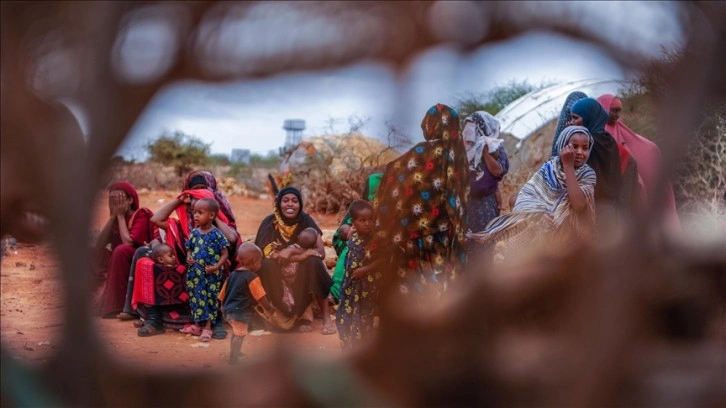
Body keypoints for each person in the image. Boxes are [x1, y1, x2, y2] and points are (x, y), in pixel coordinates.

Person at [369, 103, 469, 306]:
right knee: (441, 283)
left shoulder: (418, 154)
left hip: (414, 234)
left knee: (414, 288)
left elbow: (392, 173)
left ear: (428, 125)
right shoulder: (458, 155)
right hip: (446, 235)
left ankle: (419, 329)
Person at [470, 126, 597, 258]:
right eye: (574, 146)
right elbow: (531, 194)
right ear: (562, 146)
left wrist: (568, 166)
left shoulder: (587, 174)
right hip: (539, 224)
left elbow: (579, 205)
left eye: (585, 148)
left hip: (568, 232)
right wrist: (539, 214)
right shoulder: (551, 166)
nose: (580, 152)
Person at [132, 184, 239, 337]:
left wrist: (215, 218)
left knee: (211, 293)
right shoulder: (183, 226)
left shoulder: (217, 231)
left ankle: (214, 323)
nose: (195, 206)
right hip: (188, 270)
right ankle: (154, 318)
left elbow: (231, 239)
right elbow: (155, 219)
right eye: (193, 201)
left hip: (211, 271)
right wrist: (179, 200)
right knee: (144, 258)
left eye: (200, 201)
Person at [254, 186, 335, 335]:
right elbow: (268, 254)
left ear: (300, 204)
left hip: (301, 276)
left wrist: (291, 251)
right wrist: (303, 254)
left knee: (314, 262)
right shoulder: (269, 223)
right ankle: (279, 314)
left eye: (294, 201)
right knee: (266, 265)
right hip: (277, 274)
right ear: (279, 204)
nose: (290, 204)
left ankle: (326, 317)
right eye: (285, 201)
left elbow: (320, 253)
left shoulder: (306, 220)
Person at [597, 93, 680, 228]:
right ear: (603, 109)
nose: (617, 115)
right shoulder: (592, 138)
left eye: (619, 111)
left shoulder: (643, 145)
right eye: (613, 110)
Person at [97, 181, 157, 319]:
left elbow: (129, 242)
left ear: (130, 200)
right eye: (112, 200)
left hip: (137, 258)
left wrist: (119, 216)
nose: (115, 203)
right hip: (119, 259)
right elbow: (99, 244)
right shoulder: (116, 219)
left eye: (119, 199)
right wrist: (113, 216)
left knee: (121, 250)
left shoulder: (140, 214)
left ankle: (117, 306)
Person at [179, 198, 230, 342]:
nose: (195, 215)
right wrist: (189, 257)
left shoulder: (217, 234)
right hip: (195, 274)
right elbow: (189, 249)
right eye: (194, 212)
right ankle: (197, 326)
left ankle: (207, 328)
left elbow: (225, 254)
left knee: (209, 299)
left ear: (212, 215)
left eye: (200, 213)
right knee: (196, 298)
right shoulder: (194, 233)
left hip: (211, 275)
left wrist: (216, 267)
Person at [569, 97, 624, 229]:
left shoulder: (589, 145)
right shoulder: (608, 140)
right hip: (612, 210)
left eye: (575, 118)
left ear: (588, 117)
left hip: (596, 213)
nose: (571, 122)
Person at [330, 172, 383, 302]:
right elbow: (339, 234)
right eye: (372, 197)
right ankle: (336, 292)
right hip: (355, 247)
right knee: (348, 252)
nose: (375, 201)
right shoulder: (360, 208)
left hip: (377, 251)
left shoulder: (389, 210)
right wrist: (349, 232)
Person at [335, 200, 381, 350]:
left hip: (366, 288)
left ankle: (362, 349)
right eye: (362, 220)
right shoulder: (352, 237)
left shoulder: (375, 240)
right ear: (353, 222)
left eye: (370, 220)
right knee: (345, 317)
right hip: (350, 287)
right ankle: (349, 347)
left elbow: (383, 259)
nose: (367, 223)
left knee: (364, 318)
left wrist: (365, 270)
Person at [220, 242, 276, 365]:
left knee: (236, 333)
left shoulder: (233, 275)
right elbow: (260, 296)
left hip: (228, 309)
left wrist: (222, 306)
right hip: (240, 311)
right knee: (240, 334)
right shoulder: (252, 277)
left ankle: (235, 352)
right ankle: (233, 359)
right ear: (255, 260)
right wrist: (269, 308)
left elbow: (223, 293)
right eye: (260, 261)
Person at [462, 111, 509, 240]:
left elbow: (499, 171)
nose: (468, 131)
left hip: (485, 203)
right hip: (466, 203)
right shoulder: (462, 148)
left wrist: (483, 150)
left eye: (472, 126)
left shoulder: (494, 146)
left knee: (485, 240)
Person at [279, 227, 320, 315]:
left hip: (287, 279)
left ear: (297, 237)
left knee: (288, 298)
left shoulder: (290, 248)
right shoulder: (311, 253)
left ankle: (290, 314)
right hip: (299, 281)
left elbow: (283, 260)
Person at [551, 91, 588, 157]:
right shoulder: (564, 133)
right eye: (570, 116)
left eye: (576, 117)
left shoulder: (594, 137)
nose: (572, 121)